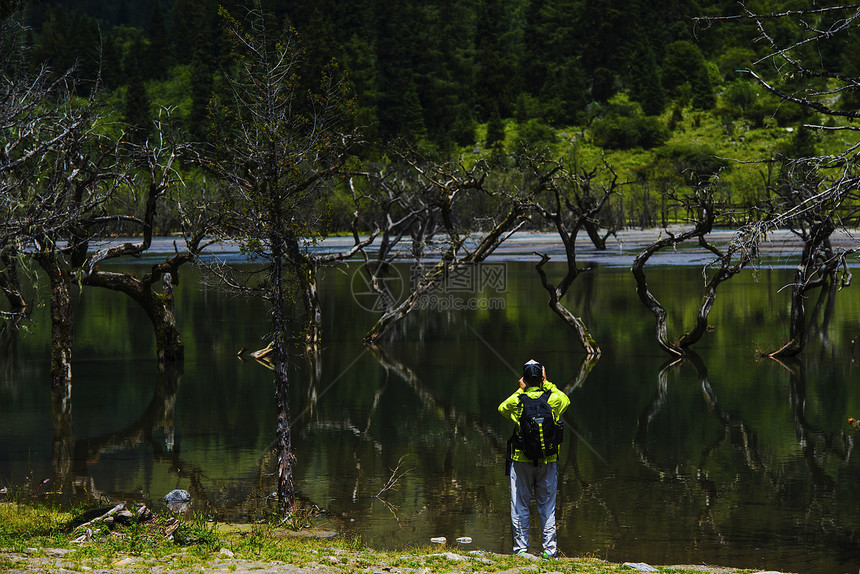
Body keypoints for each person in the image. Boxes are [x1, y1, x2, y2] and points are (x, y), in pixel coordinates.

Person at [498, 359, 570, 559]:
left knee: (519, 505)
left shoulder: (518, 401)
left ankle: (521, 551)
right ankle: (549, 551)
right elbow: (566, 399)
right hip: (548, 461)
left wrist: (521, 391)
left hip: (521, 460)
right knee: (547, 507)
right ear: (542, 377)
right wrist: (547, 383)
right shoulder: (552, 400)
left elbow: (502, 408)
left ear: (525, 379)